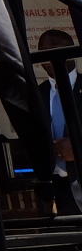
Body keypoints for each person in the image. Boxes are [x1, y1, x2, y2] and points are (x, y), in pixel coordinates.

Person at [40, 29, 81, 215]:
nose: (47, 56)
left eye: (53, 49)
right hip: (55, 190)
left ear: (70, 50)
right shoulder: (36, 94)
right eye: (42, 51)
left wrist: (78, 150)